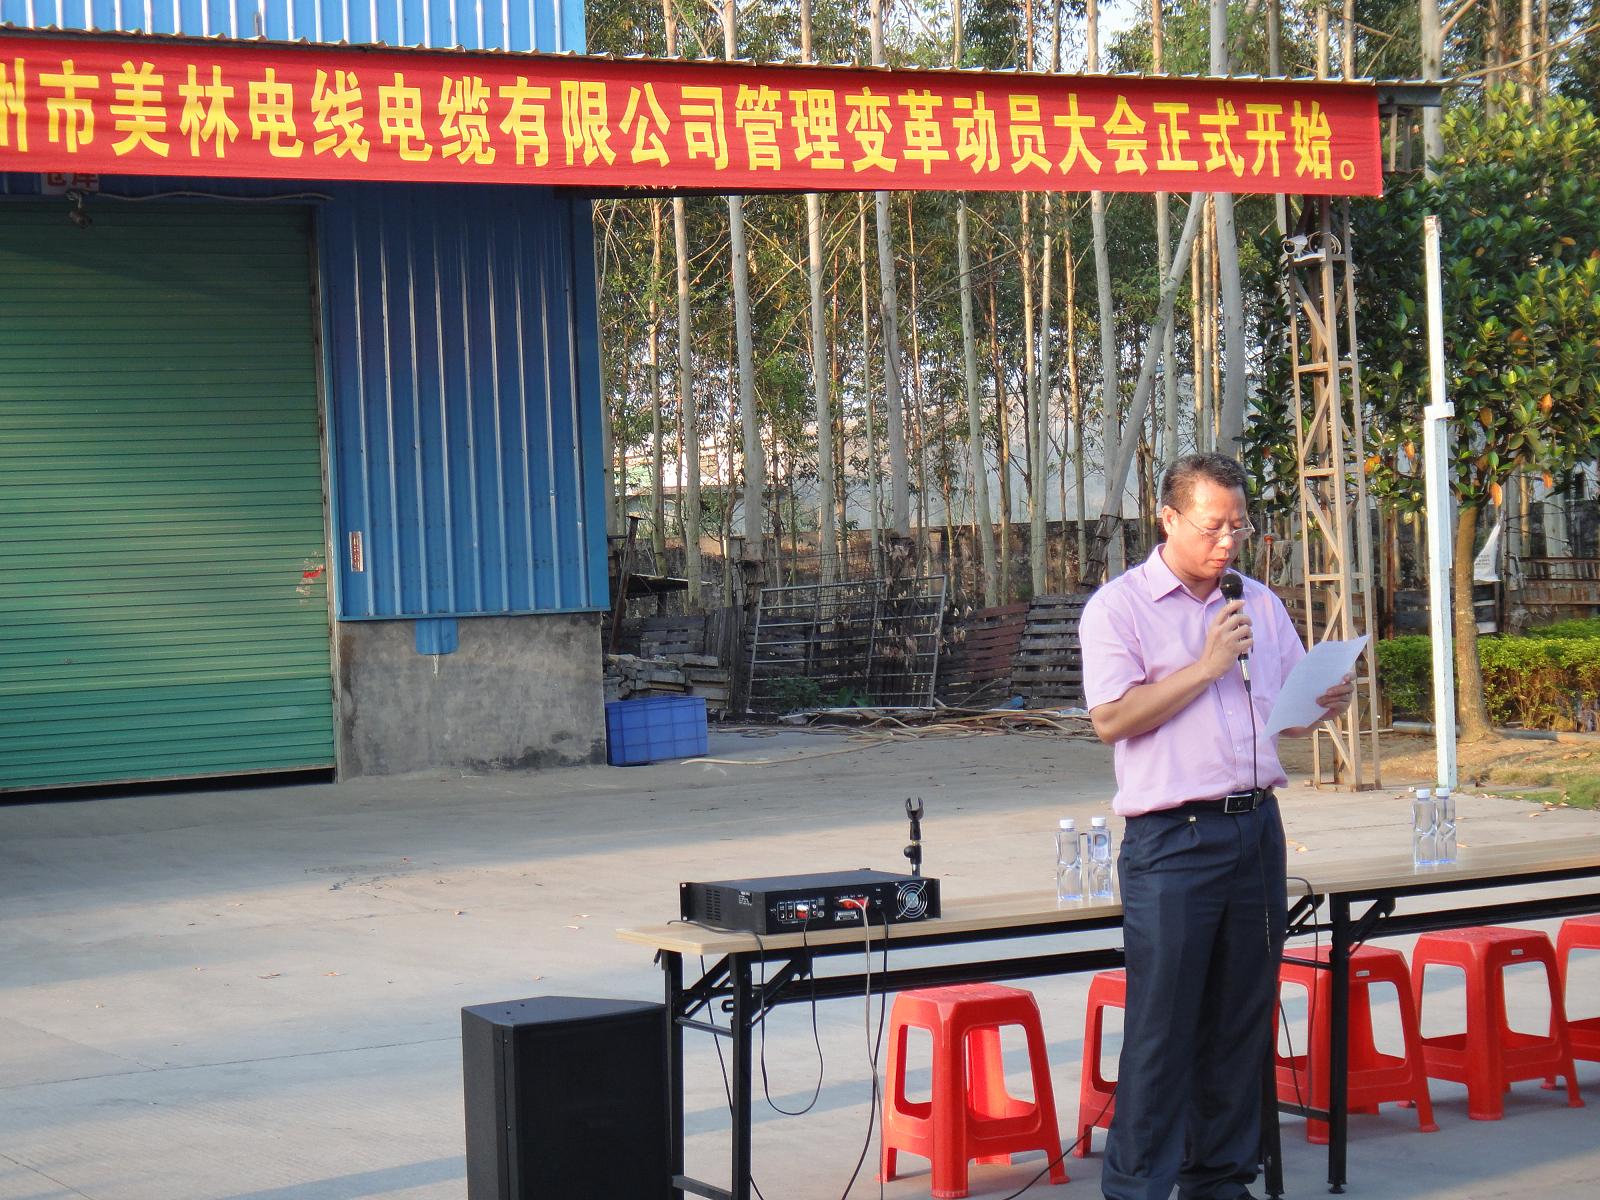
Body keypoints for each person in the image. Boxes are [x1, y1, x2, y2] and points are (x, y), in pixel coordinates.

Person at [1078, 452, 1355, 1200]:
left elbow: (1284, 716)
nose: (1228, 541)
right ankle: (1138, 1188)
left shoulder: (1257, 601)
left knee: (1241, 1019)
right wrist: (1203, 668)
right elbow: (1111, 720)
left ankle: (1221, 1183)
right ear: (1168, 519)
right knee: (1164, 1027)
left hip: (1254, 829)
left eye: (1239, 525)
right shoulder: (1119, 608)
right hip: (1174, 840)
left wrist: (1324, 703)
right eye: (1212, 526)